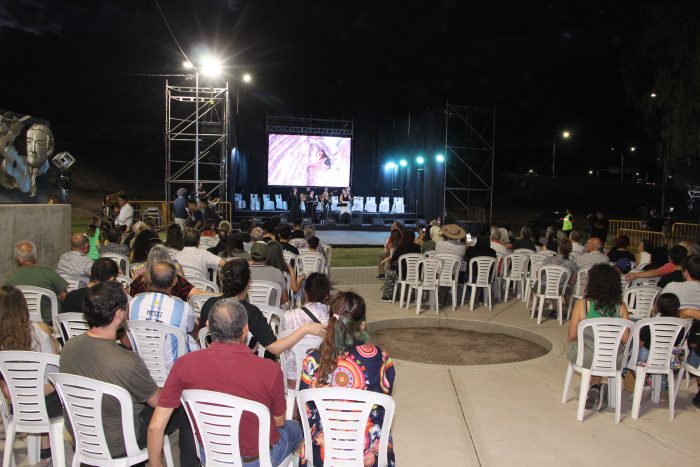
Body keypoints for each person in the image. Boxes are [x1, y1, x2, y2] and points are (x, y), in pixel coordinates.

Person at [147, 298, 302, 467]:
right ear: (245, 330)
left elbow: (155, 426)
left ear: (207, 326)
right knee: (297, 428)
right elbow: (279, 422)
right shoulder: (270, 370)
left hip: (211, 457)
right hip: (258, 460)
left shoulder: (183, 364)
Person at [60, 281, 196, 465]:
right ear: (119, 314)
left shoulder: (69, 347)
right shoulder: (127, 362)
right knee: (184, 405)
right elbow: (159, 402)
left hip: (82, 435)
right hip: (121, 442)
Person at [297, 291, 395, 467]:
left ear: (331, 323)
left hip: (322, 453)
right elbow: (383, 401)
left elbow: (303, 408)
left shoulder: (313, 360)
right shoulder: (381, 359)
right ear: (363, 325)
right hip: (366, 454)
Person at [199, 259, 325, 357]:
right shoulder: (250, 312)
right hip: (241, 367)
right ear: (248, 283)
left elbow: (202, 338)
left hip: (211, 364)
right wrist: (305, 329)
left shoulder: (208, 305)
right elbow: (275, 348)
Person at [0, 285, 61, 465]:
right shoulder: (38, 332)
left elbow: (7, 391)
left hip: (17, 406)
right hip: (46, 402)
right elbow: (52, 375)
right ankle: (47, 448)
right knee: (60, 384)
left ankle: (43, 446)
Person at [567, 263, 631, 410]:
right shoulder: (620, 306)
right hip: (612, 359)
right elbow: (626, 339)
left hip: (587, 357)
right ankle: (596, 385)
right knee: (600, 352)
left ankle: (594, 386)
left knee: (588, 349)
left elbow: (571, 335)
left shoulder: (583, 305)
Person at [129, 262, 198, 369]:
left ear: (149, 279)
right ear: (175, 281)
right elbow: (193, 332)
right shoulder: (184, 308)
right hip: (174, 371)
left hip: (141, 368)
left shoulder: (134, 303)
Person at [281, 273, 331, 388]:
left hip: (293, 378)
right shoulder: (335, 317)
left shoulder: (289, 316)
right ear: (327, 295)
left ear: (305, 291)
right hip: (325, 378)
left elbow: (285, 348)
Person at [5, 241, 68, 324]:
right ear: (35, 257)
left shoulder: (10, 280)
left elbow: (7, 306)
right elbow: (66, 298)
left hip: (23, 323)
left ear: (17, 259)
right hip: (51, 323)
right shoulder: (49, 273)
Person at [129, 245, 198, 301]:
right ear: (168, 258)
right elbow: (196, 294)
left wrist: (133, 280)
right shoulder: (177, 281)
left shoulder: (138, 281)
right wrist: (182, 278)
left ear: (148, 260)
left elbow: (130, 296)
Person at [381, 228, 421, 301]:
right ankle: (411, 295)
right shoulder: (418, 247)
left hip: (401, 274)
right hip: (415, 274)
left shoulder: (401, 247)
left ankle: (388, 296)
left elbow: (393, 260)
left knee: (389, 272)